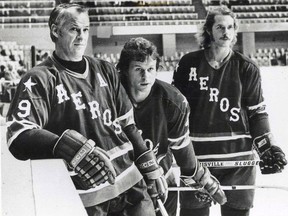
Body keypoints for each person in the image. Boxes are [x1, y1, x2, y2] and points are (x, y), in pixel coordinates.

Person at [6, 3, 167, 216]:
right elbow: (19, 135)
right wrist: (65, 145)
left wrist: (149, 165)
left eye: (85, 29)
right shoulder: (40, 78)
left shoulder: (105, 69)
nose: (82, 36)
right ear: (55, 31)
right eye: (74, 29)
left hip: (132, 185)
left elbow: (127, 125)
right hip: (87, 195)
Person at [172, 5, 287, 216]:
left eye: (230, 27)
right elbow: (175, 112)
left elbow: (256, 112)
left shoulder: (247, 67)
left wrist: (267, 145)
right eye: (220, 27)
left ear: (235, 31)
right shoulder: (188, 64)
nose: (226, 32)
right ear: (209, 30)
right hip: (196, 161)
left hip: (239, 161)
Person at [117, 37, 227, 216]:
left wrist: (200, 178)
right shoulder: (112, 95)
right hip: (122, 182)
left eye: (150, 69)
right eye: (138, 69)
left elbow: (182, 149)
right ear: (124, 70)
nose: (146, 76)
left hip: (161, 180)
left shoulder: (173, 101)